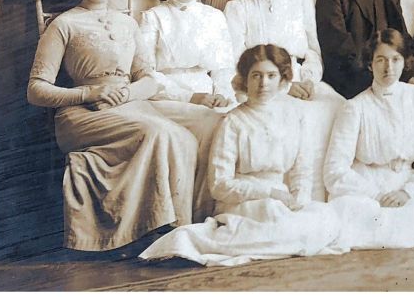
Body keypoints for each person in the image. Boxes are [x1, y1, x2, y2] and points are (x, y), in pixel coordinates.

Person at [26, 0, 199, 251]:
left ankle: (175, 230)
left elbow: (148, 78)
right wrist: (89, 93)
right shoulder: (64, 24)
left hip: (129, 105)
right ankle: (147, 230)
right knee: (157, 132)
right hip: (81, 115)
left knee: (185, 138)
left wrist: (127, 93)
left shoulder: (127, 23)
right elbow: (36, 90)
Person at [139, 45, 348, 266]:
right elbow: (219, 185)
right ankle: (275, 240)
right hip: (242, 204)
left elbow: (301, 169)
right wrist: (269, 193)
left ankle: (279, 238)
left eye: (271, 76)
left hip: (281, 201)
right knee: (274, 216)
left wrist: (299, 200)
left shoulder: (292, 117)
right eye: (256, 75)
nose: (263, 83)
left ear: (282, 80)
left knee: (326, 218)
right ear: (245, 80)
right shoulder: (233, 122)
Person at [224, 0, 344, 201]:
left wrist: (309, 79)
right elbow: (235, 61)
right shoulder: (239, 7)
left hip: (302, 80)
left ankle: (323, 197)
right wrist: (285, 87)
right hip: (261, 86)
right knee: (301, 119)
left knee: (337, 108)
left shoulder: (302, 1)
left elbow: (312, 50)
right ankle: (291, 196)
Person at [323, 30, 414, 249]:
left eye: (395, 59)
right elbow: (334, 170)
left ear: (405, 62)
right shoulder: (355, 107)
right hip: (366, 190)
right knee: (368, 224)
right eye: (380, 60)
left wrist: (409, 190)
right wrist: (376, 195)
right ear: (370, 64)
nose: (388, 67)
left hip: (407, 186)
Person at [139, 0, 234, 218]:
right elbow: (146, 73)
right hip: (166, 96)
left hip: (208, 93)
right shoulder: (153, 17)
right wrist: (190, 97)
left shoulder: (214, 16)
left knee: (232, 119)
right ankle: (190, 213)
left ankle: (216, 207)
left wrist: (223, 93)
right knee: (211, 123)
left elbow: (224, 68)